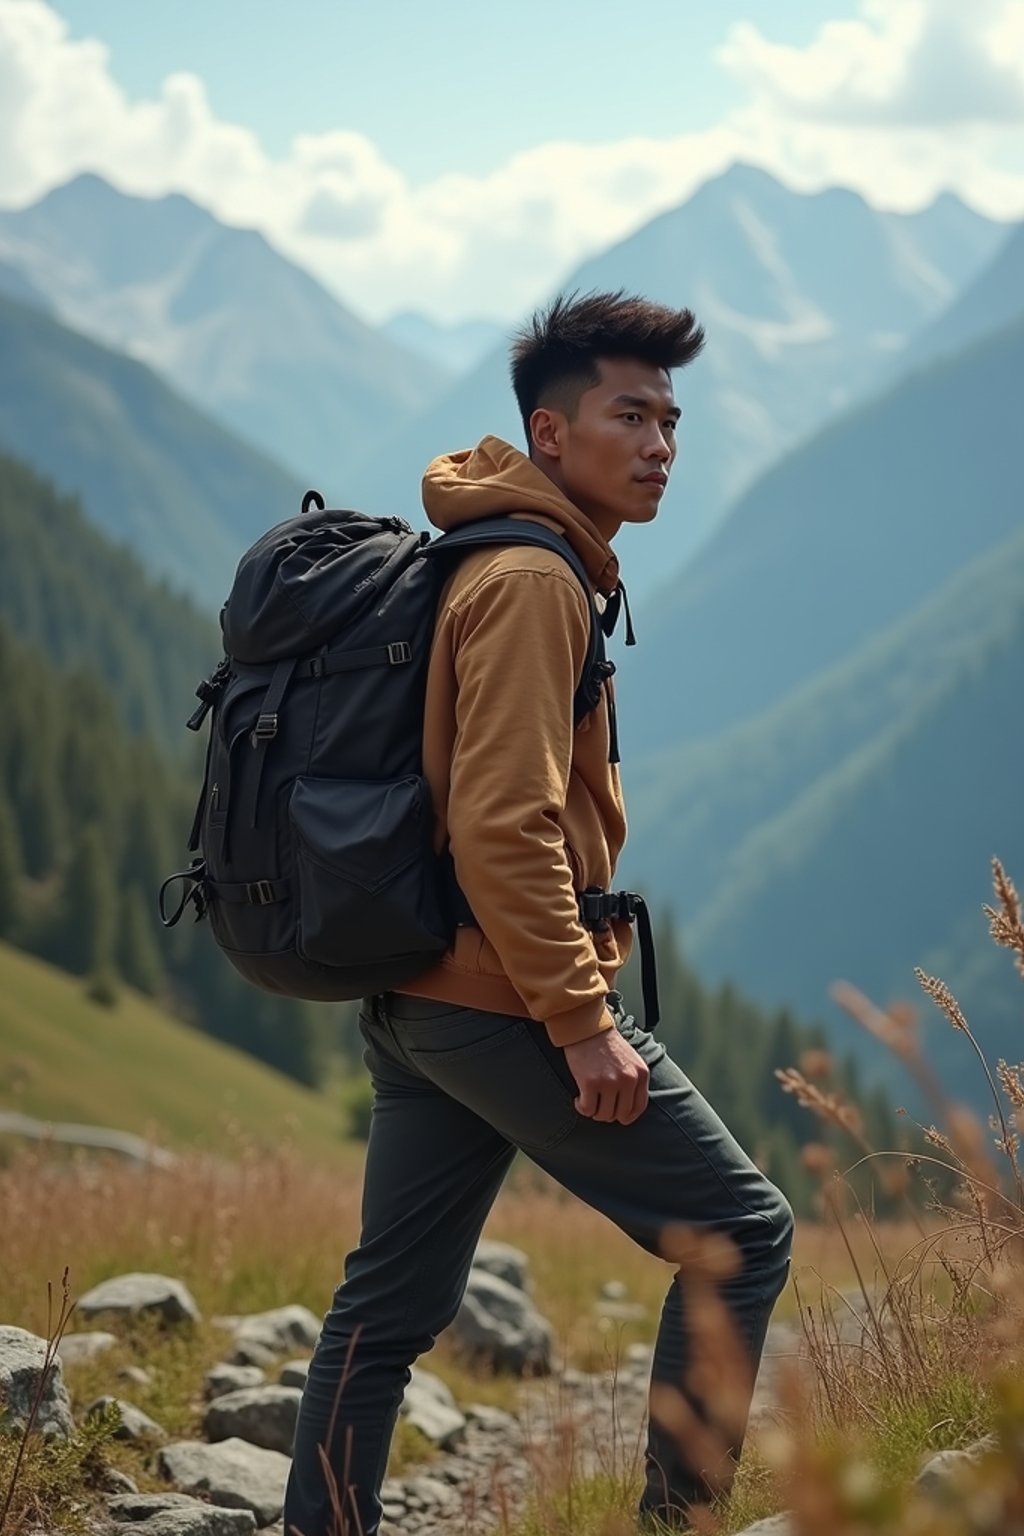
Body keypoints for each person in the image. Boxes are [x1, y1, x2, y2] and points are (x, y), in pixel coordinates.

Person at [284, 291, 794, 1535]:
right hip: (498, 999)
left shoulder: (503, 551)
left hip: (422, 993)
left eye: (672, 418)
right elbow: (499, 824)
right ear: (551, 435)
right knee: (741, 1233)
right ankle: (680, 1526)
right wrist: (578, 1017)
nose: (662, 441)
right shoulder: (530, 577)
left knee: (387, 1309)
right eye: (631, 413)